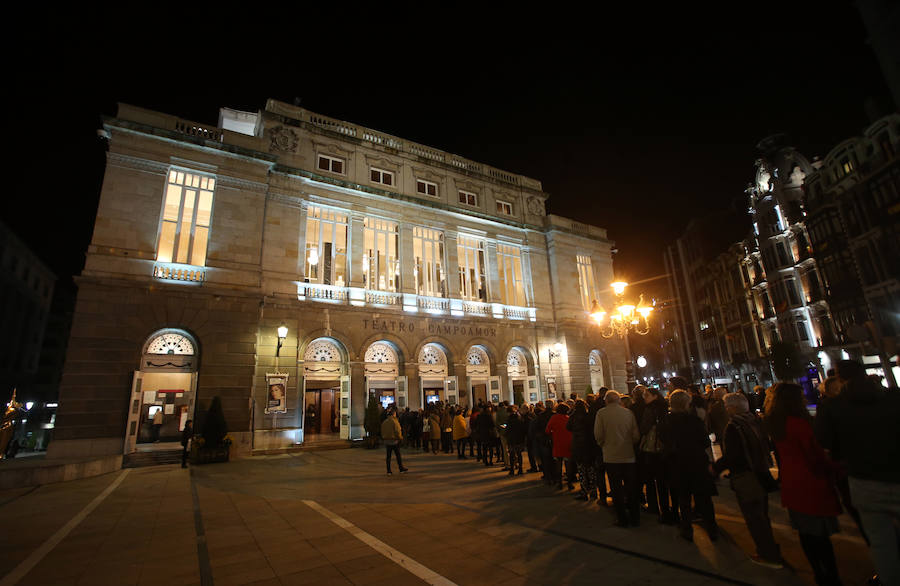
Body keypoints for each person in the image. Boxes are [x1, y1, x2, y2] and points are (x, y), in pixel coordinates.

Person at [818, 360, 899, 586]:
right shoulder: (893, 397)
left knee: (881, 541)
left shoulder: (833, 407)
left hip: (862, 479)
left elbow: (826, 445)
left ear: (840, 378)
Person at [766, 383, 841, 586]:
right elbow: (815, 456)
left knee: (806, 534)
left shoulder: (776, 423)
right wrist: (835, 466)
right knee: (821, 536)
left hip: (792, 482)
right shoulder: (799, 424)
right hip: (811, 481)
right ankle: (831, 577)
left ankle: (818, 572)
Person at [714, 393, 782, 568]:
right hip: (761, 472)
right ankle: (770, 548)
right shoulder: (754, 420)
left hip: (746, 476)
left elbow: (732, 456)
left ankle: (767, 553)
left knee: (754, 517)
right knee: (762, 515)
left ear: (732, 408)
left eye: (726, 406)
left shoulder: (734, 426)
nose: (726, 408)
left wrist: (715, 468)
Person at [659, 390, 718, 542]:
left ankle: (687, 529)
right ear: (687, 403)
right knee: (703, 498)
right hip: (696, 462)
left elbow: (663, 440)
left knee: (683, 499)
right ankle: (712, 529)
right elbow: (705, 442)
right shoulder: (694, 420)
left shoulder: (666, 420)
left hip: (677, 462)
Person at [594, 390, 640, 527]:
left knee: (616, 489)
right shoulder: (628, 413)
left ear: (606, 401)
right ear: (619, 400)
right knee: (631, 488)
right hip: (628, 456)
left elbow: (598, 435)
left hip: (611, 456)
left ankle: (622, 518)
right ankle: (635, 517)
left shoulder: (601, 414)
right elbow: (636, 435)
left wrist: (604, 445)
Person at [639, 386, 671, 523]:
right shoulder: (666, 408)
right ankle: (666, 509)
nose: (644, 398)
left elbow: (644, 428)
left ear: (654, 396)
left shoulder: (650, 409)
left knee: (651, 479)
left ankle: (653, 506)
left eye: (647, 395)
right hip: (664, 448)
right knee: (663, 481)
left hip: (652, 449)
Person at [567, 399, 596, 501]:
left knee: (582, 470)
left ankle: (584, 491)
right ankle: (593, 491)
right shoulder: (589, 416)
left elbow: (568, 427)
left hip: (578, 446)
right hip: (589, 445)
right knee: (591, 469)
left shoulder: (573, 417)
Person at [545, 403, 574, 490]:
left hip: (557, 443)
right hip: (568, 443)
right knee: (568, 464)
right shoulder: (568, 418)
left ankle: (559, 483)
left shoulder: (554, 418)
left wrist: (552, 434)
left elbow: (547, 430)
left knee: (558, 464)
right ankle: (569, 483)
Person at [381, 408, 408, 475]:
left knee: (388, 456)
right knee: (398, 455)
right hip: (394, 440)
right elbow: (397, 431)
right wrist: (400, 438)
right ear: (394, 414)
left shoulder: (385, 422)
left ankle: (388, 470)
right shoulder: (395, 421)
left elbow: (382, 430)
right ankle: (401, 468)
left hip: (387, 440)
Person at [506, 406, 526, 476]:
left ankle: (512, 469)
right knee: (519, 454)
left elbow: (507, 429)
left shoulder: (509, 420)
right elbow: (523, 429)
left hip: (511, 439)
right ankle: (520, 469)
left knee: (512, 454)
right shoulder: (519, 419)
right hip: (519, 439)